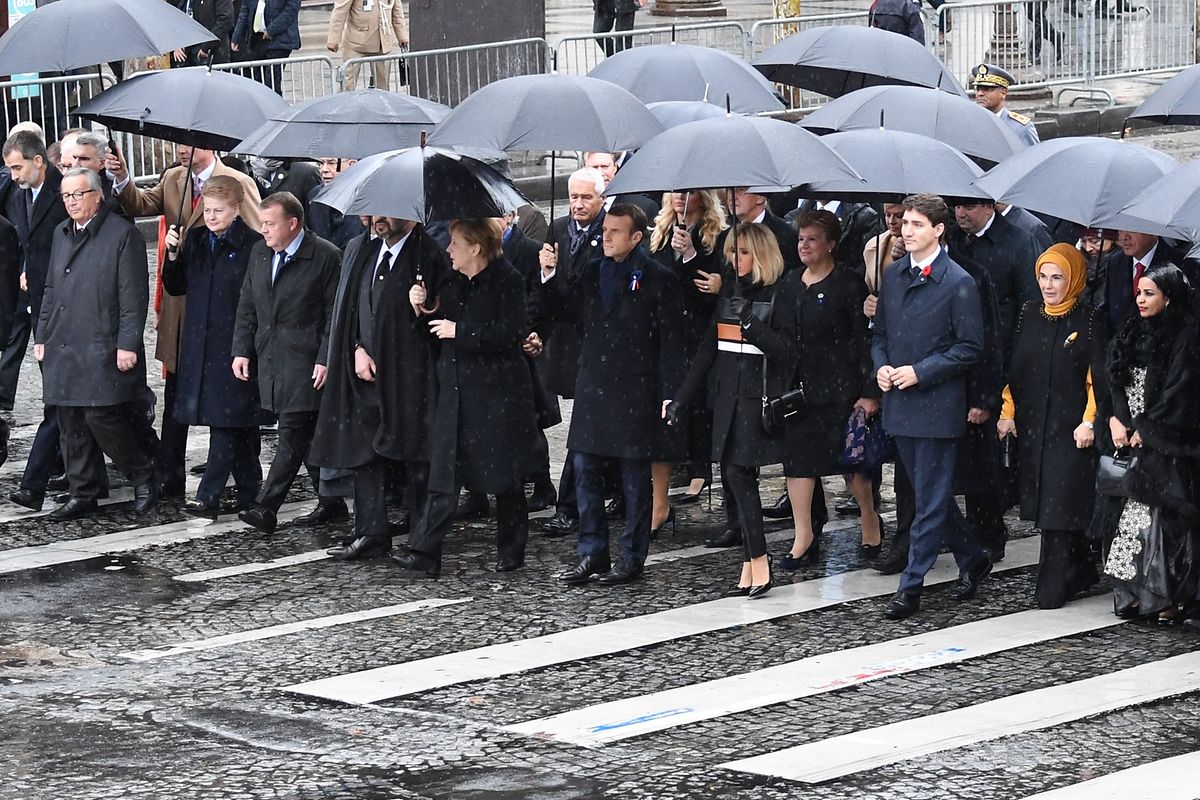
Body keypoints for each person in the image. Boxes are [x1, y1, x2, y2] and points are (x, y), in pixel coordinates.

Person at [107, 142, 262, 499]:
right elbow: (140, 204)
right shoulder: (174, 179)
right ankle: (170, 472)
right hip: (184, 310)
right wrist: (122, 177)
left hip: (224, 309)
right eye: (177, 144)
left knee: (232, 398)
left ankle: (242, 476)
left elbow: (256, 241)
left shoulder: (236, 182)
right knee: (178, 394)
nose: (181, 150)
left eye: (188, 144)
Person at [543, 203, 685, 586]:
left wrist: (671, 393)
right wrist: (550, 272)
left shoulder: (657, 277)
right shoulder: (591, 271)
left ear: (636, 237)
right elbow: (566, 311)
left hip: (635, 389)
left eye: (615, 232)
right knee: (585, 471)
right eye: (605, 230)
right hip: (594, 386)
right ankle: (592, 552)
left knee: (633, 479)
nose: (605, 237)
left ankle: (632, 555)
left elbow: (673, 341)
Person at [393, 219, 538, 577]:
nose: (449, 250)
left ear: (476, 248)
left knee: (506, 478)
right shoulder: (452, 280)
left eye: (456, 243)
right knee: (443, 475)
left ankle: (511, 550)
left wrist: (462, 332)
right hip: (455, 392)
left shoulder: (510, 280)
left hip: (497, 394)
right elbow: (433, 331)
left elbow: (510, 334)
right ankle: (425, 551)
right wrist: (419, 309)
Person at [872, 193, 991, 620]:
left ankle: (911, 585)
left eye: (917, 224)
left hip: (937, 406)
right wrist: (882, 367)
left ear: (939, 230)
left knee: (928, 499)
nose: (907, 230)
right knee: (929, 496)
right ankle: (972, 553)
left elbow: (971, 346)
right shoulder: (895, 275)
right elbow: (880, 334)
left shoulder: (958, 282)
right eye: (905, 223)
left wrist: (922, 371)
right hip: (901, 404)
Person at [666, 223, 796, 598]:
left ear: (760, 255)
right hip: (725, 400)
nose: (733, 260)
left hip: (756, 402)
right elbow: (707, 352)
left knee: (740, 477)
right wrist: (681, 400)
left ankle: (759, 560)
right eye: (731, 253)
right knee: (732, 478)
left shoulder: (780, 294)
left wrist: (751, 323)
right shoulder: (729, 297)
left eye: (742, 253)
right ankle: (750, 561)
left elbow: (786, 351)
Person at [310, 214, 449, 560]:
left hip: (409, 376)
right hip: (366, 370)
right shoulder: (368, 251)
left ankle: (421, 536)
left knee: (417, 455)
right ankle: (371, 529)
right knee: (364, 451)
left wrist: (426, 307)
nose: (377, 218)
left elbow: (442, 317)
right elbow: (356, 308)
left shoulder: (428, 254)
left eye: (387, 210)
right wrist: (357, 347)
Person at [34, 168, 160, 520]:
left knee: (102, 416)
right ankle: (82, 491)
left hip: (101, 340)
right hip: (64, 340)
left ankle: (143, 475)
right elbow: (49, 289)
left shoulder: (122, 235)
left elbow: (133, 297)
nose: (71, 202)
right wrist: (42, 334)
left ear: (97, 195)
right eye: (66, 196)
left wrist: (128, 345)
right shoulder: (61, 233)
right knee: (70, 419)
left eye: (78, 195)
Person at [998, 244, 1105, 608]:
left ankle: (1054, 583)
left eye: (1057, 277)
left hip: (1070, 427)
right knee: (1046, 502)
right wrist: (1007, 411)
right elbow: (1015, 368)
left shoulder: (1090, 320)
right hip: (1033, 426)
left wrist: (1089, 420)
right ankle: (1081, 568)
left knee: (1060, 505)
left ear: (1073, 279)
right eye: (1043, 276)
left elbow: (1097, 379)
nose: (1048, 284)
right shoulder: (1030, 313)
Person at [1096, 264, 1200, 622]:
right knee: (1133, 521)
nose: (1140, 300)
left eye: (1149, 293)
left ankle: (1164, 596)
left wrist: (1150, 428)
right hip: (1133, 440)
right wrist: (1115, 419)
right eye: (1139, 293)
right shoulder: (1130, 331)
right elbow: (1113, 380)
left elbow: (1179, 392)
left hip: (1166, 447)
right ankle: (1139, 594)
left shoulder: (1185, 336)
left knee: (1161, 524)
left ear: (1168, 297)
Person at [232, 193, 342, 534]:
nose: (263, 231)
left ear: (293, 223)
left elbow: (332, 317)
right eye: (261, 223)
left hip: (306, 359)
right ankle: (331, 500)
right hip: (272, 357)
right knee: (304, 435)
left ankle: (267, 506)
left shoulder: (324, 256)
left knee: (292, 432)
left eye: (270, 224)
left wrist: (325, 358)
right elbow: (247, 304)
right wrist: (241, 350)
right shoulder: (260, 253)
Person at [779, 211, 882, 570]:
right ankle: (803, 534)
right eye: (800, 239)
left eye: (812, 239)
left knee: (851, 464)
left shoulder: (848, 284)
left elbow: (862, 340)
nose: (804, 246)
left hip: (841, 390)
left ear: (831, 244)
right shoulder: (791, 282)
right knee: (798, 464)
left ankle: (869, 516)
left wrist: (869, 392)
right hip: (800, 391)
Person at [163, 176, 264, 517]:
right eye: (206, 210)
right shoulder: (195, 240)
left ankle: (209, 496)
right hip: (201, 345)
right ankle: (251, 491)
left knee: (227, 421)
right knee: (239, 423)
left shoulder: (252, 246)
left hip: (234, 345)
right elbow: (176, 287)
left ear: (237, 209)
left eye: (219, 211)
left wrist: (246, 346)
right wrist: (172, 254)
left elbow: (254, 303)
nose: (211, 216)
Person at [647, 190, 726, 531]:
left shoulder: (715, 236)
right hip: (665, 332)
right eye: (674, 193)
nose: (680, 198)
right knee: (663, 410)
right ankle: (661, 496)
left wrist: (691, 256)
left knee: (698, 408)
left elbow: (707, 291)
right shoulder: (662, 230)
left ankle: (701, 468)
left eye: (688, 193)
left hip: (698, 332)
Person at [537, 168, 608, 537]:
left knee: (584, 430)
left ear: (601, 198)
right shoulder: (559, 229)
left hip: (599, 344)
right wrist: (547, 273)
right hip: (569, 345)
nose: (578, 205)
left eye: (586, 198)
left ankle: (571, 505)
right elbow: (550, 301)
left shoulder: (609, 229)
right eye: (574, 197)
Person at [1101, 229, 1188, 330]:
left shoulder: (1181, 264)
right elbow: (1108, 308)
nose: (1124, 237)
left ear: (1153, 231)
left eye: (1132, 230)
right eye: (1121, 230)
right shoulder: (1115, 262)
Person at [327, 0, 408, 91]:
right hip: (355, 43)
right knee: (348, 84)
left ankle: (381, 104)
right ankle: (346, 103)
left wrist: (402, 36)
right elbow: (339, 12)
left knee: (383, 86)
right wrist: (333, 39)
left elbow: (397, 12)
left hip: (383, 41)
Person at [720, 187, 801, 274]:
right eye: (729, 190)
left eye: (741, 190)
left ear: (760, 197)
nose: (732, 197)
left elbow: (791, 278)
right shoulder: (724, 236)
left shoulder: (785, 235)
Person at [230, 0, 302, 94]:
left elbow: (291, 9)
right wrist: (237, 36)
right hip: (257, 40)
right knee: (259, 83)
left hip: (279, 41)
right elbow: (245, 11)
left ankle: (275, 106)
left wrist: (272, 30)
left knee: (271, 82)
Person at [971, 64, 1039, 147]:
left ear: (1003, 92)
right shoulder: (971, 122)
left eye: (986, 89)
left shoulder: (1021, 128)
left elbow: (1034, 157)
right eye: (978, 89)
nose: (980, 94)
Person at [309, 157, 365, 250]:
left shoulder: (365, 196)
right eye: (321, 163)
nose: (324, 170)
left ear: (351, 164)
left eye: (331, 163)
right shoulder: (314, 196)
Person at [170, 0, 235, 66]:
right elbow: (177, 19)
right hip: (186, 57)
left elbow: (225, 20)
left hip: (211, 56)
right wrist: (177, 43)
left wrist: (206, 47)